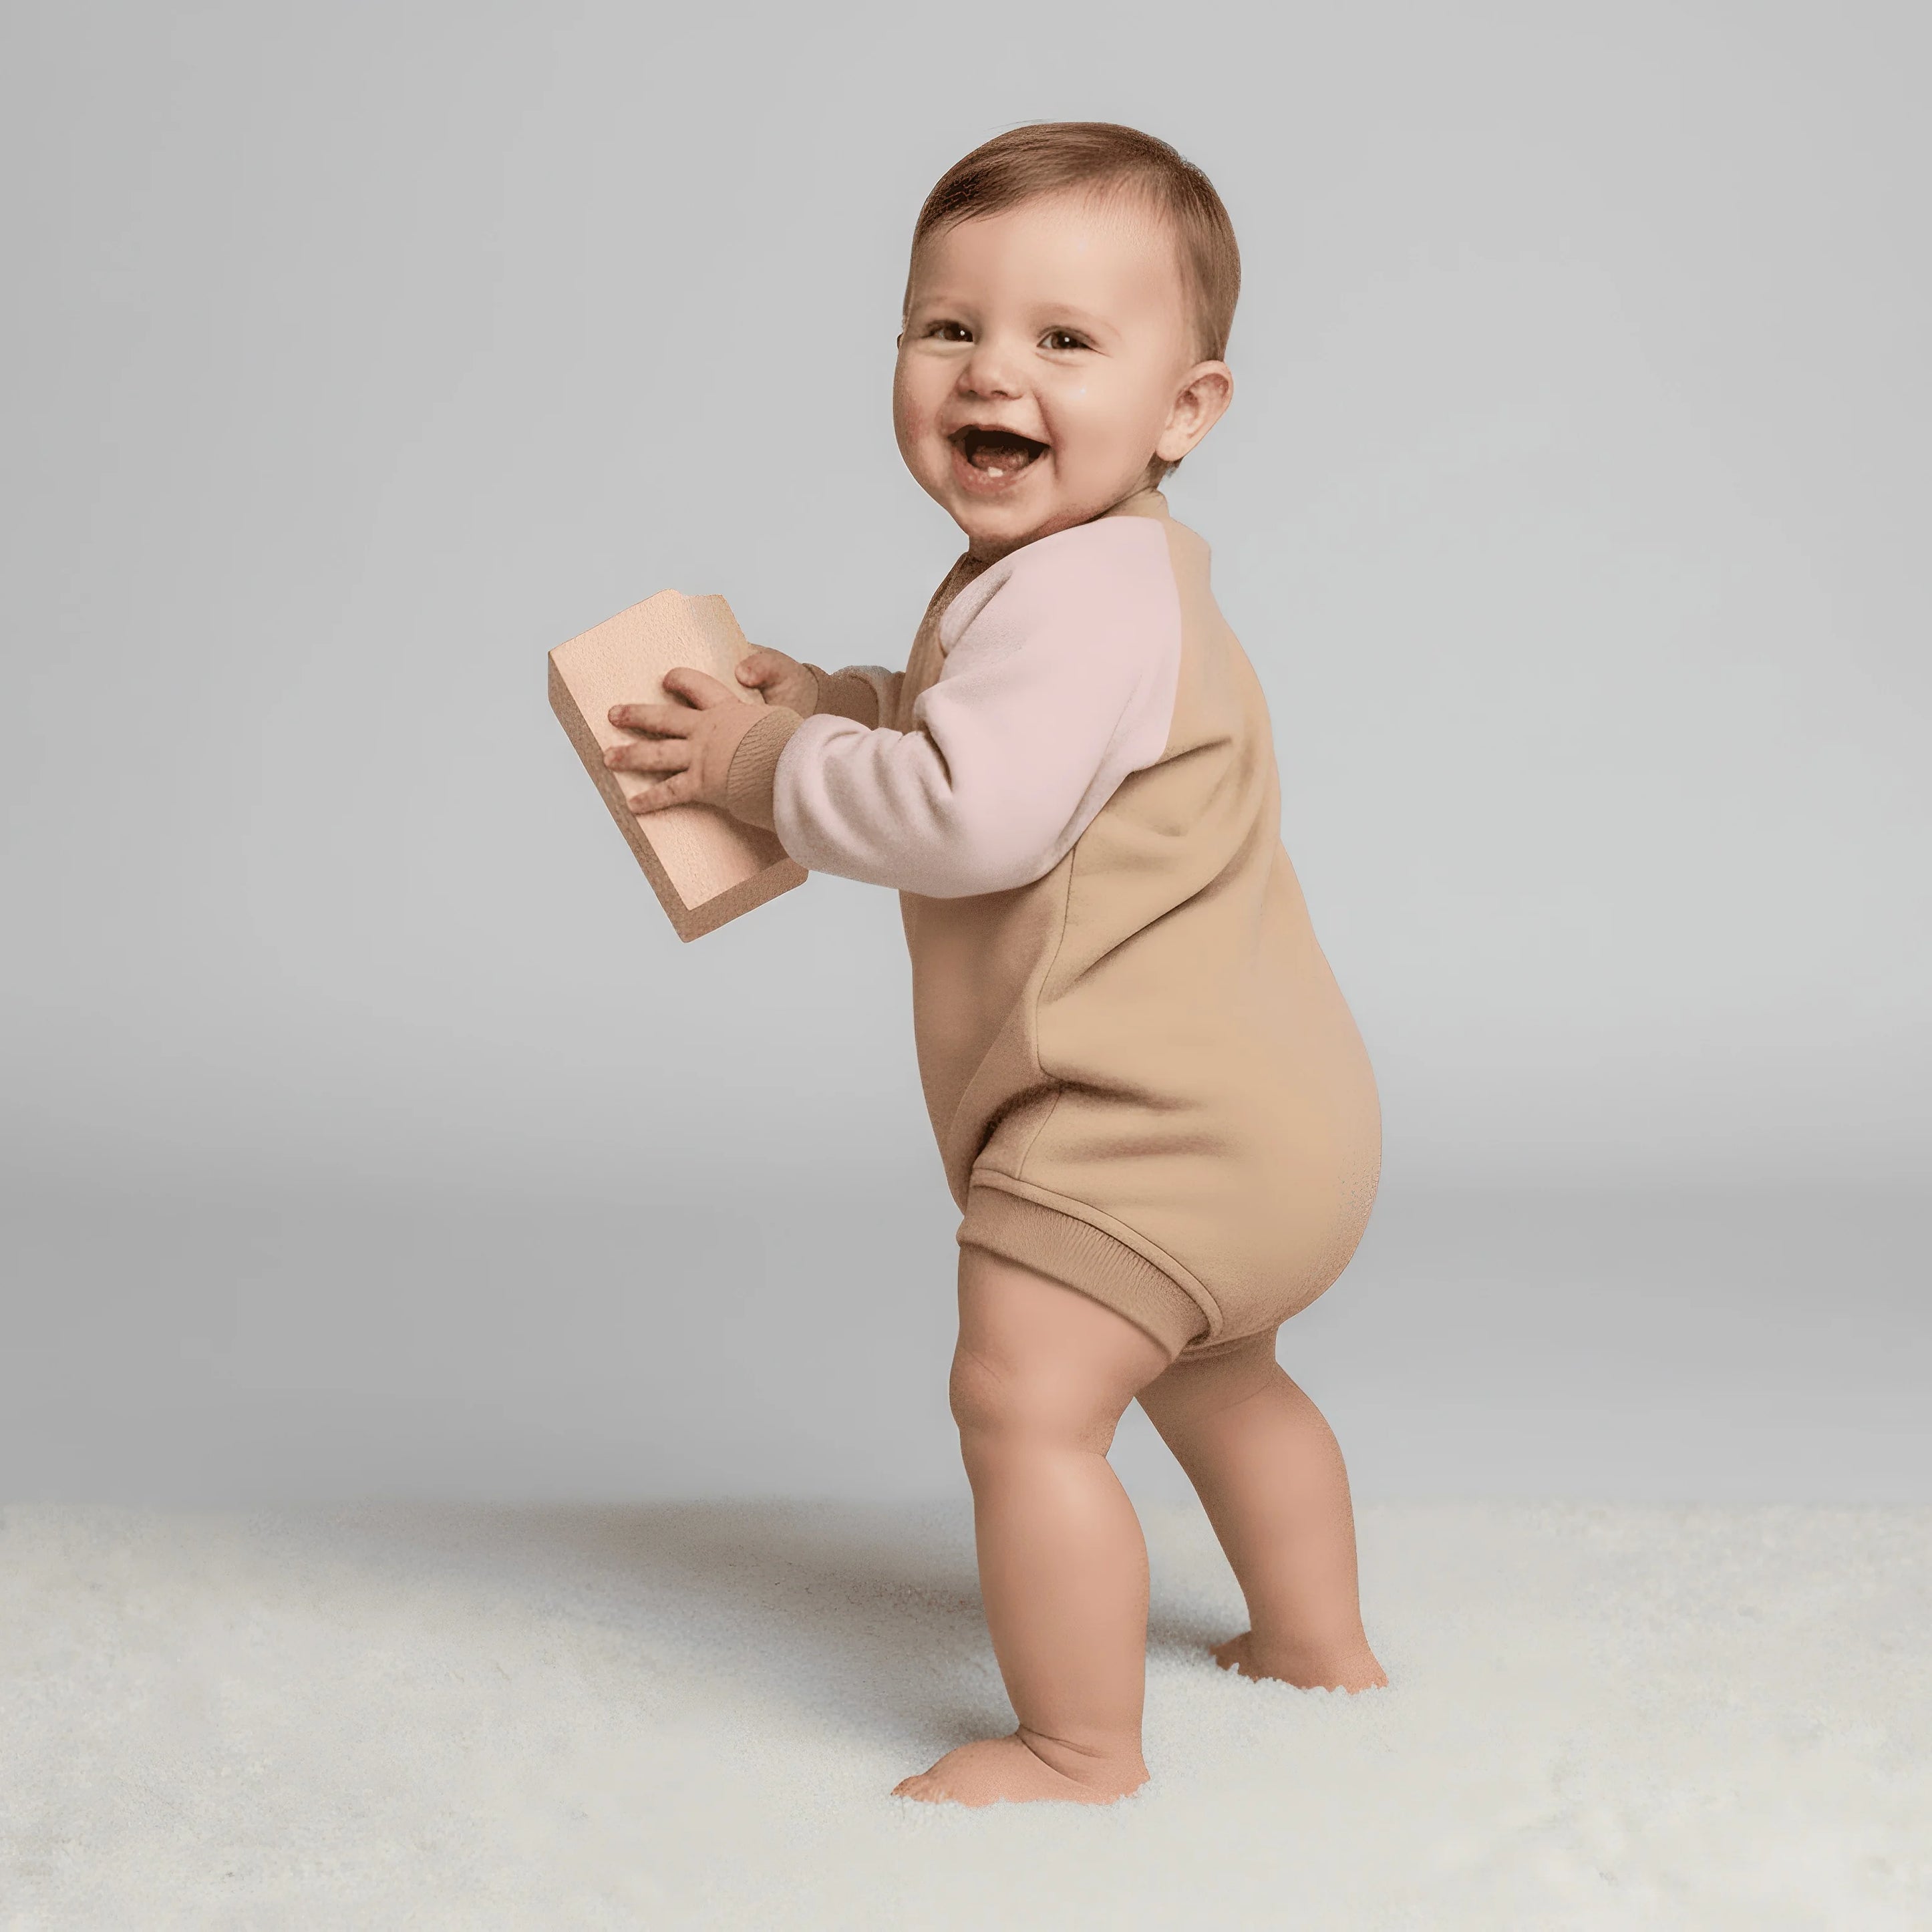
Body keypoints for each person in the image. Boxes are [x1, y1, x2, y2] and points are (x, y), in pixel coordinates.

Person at [604, 121, 1387, 1808]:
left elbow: (972, 815)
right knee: (1221, 1372)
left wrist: (752, 771)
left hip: (1137, 1127)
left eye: (1064, 341)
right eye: (946, 328)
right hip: (1277, 1126)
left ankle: (1074, 1745)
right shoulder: (1082, 577)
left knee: (1023, 1400)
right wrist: (829, 706)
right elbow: (980, 738)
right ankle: (1319, 1647)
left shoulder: (1077, 597)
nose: (993, 373)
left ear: (1188, 410)